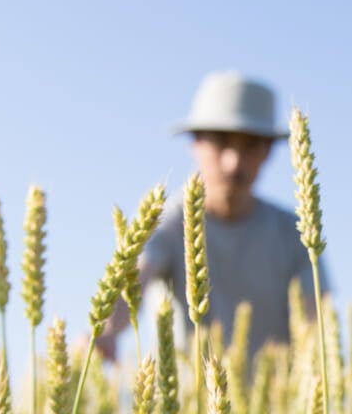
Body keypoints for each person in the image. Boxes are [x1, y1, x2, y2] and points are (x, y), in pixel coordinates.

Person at [95, 71, 327, 361]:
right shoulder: (166, 220)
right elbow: (137, 275)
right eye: (221, 141)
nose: (234, 162)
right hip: (189, 401)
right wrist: (105, 330)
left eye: (251, 145)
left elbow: (315, 320)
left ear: (268, 152)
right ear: (195, 143)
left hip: (273, 403)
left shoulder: (294, 232)